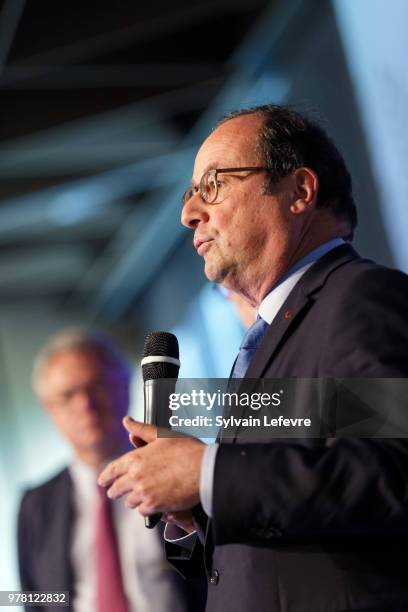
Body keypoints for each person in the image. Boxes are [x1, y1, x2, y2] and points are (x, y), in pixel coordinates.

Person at [98, 105, 408, 611]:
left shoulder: (360, 298)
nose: (189, 213)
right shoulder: (275, 332)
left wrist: (209, 473)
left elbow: (390, 472)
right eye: (190, 193)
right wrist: (200, 507)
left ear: (300, 192)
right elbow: (305, 511)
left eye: (214, 183)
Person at [18, 328, 198, 612]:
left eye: (96, 386)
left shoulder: (180, 471)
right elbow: (31, 598)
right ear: (49, 409)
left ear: (125, 384)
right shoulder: (34, 506)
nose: (85, 405)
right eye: (68, 395)